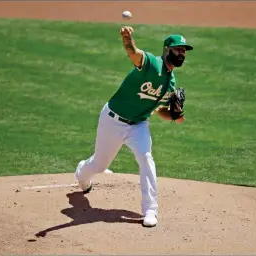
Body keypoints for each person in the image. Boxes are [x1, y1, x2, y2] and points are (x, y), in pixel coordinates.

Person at [75, 26, 194, 227]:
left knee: (146, 158)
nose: (181, 53)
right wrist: (127, 38)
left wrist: (175, 114)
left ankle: (150, 210)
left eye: (184, 50)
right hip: (113, 119)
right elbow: (134, 53)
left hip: (138, 125)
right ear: (167, 49)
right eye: (178, 49)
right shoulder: (151, 64)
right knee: (99, 165)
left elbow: (159, 111)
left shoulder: (171, 83)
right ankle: (81, 172)